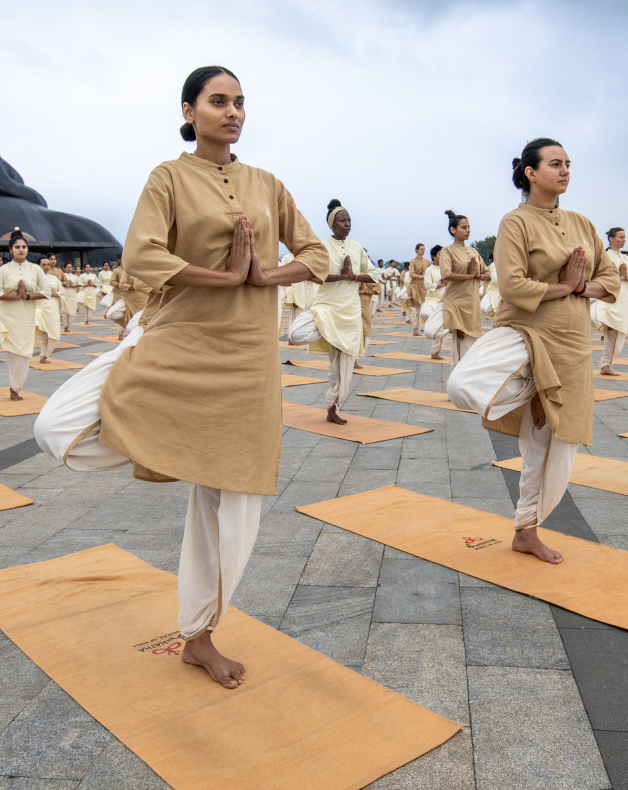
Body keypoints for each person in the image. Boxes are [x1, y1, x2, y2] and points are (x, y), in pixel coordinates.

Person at [36, 66, 327, 689]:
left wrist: (261, 277)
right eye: (218, 101)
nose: (233, 112)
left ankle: (200, 635)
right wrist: (222, 276)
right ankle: (170, 441)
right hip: (178, 338)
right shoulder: (168, 177)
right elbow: (141, 255)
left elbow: (316, 255)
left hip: (248, 357)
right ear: (189, 111)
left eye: (241, 102)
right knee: (54, 425)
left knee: (232, 503)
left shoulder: (268, 184)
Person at [446, 137, 618, 564]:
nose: (565, 171)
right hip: (526, 331)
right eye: (555, 164)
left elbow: (610, 281)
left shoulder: (582, 223)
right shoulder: (515, 222)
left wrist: (581, 285)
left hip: (573, 342)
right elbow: (514, 285)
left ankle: (527, 529)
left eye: (568, 164)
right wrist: (567, 286)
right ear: (531, 172)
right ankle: (532, 391)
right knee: (461, 383)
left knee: (548, 446)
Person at [305, 200, 378, 423]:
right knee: (329, 355)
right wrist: (342, 276)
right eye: (342, 221)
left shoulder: (357, 247)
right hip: (328, 307)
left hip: (351, 310)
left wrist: (354, 276)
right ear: (332, 224)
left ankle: (333, 406)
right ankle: (331, 406)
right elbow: (315, 275)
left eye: (349, 221)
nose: (347, 224)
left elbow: (374, 275)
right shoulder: (322, 246)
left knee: (343, 360)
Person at [0, 231, 46, 400]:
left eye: (24, 247)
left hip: (25, 315)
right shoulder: (4, 269)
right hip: (4, 312)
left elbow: (47, 290)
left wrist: (26, 296)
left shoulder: (35, 269)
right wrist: (15, 296)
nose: (21, 250)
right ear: (11, 250)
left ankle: (15, 388)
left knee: (22, 352)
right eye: (17, 247)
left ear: (27, 249)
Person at [436, 210, 488, 365]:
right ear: (453, 230)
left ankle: (462, 383)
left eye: (469, 227)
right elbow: (446, 274)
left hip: (471, 303)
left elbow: (488, 274)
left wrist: (477, 275)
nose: (468, 230)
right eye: (464, 227)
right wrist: (470, 276)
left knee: (470, 347)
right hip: (455, 302)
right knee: (455, 343)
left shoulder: (473, 251)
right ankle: (458, 383)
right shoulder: (447, 251)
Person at [594, 228, 628, 377]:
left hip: (622, 299)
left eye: (624, 237)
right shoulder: (605, 256)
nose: (623, 240)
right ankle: (602, 326)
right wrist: (618, 275)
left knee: (617, 334)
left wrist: (625, 277)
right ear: (611, 239)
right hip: (608, 298)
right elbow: (600, 276)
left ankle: (606, 365)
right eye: (620, 237)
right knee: (599, 318)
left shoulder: (625, 258)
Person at [404, 244, 430, 327]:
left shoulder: (427, 262)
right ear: (417, 250)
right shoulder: (413, 261)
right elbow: (411, 274)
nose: (423, 251)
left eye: (424, 249)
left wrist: (425, 276)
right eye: (421, 249)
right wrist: (422, 276)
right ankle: (416, 328)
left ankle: (422, 327)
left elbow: (430, 273)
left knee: (424, 309)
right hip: (415, 286)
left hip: (425, 287)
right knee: (418, 309)